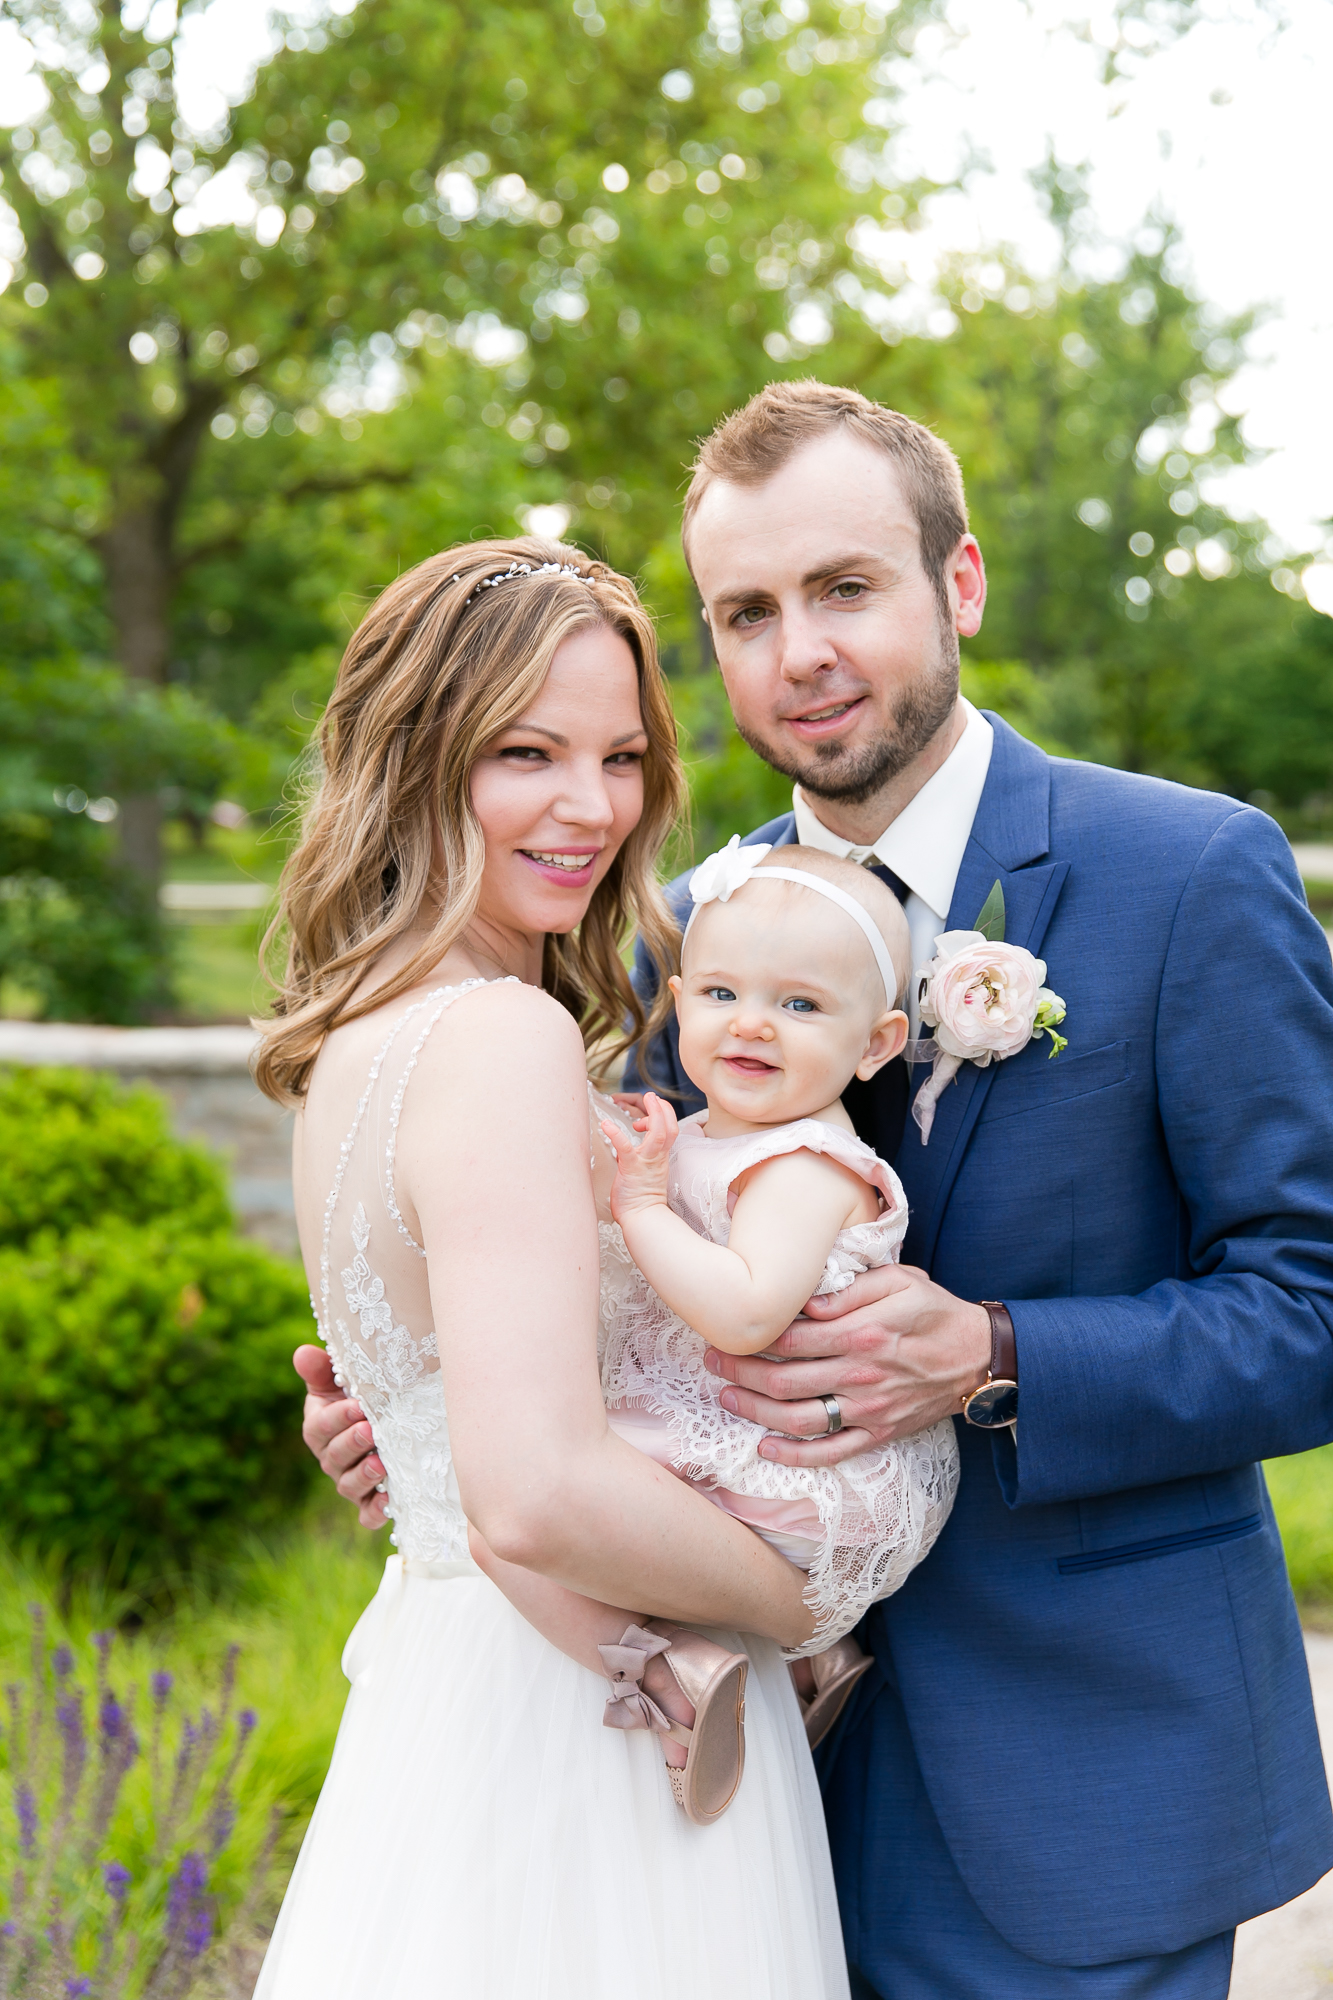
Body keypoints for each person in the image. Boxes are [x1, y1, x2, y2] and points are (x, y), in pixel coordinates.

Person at [305, 382, 1333, 1999]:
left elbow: (1310, 1308)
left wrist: (995, 1355)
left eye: (844, 587)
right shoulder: (662, 936)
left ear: (959, 583)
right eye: (744, 611)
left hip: (1076, 1769)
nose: (799, 652)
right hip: (716, 1776)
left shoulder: (1186, 875)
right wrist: (423, 1402)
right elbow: (601, 1285)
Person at [257, 540, 851, 1998]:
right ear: (416, 757)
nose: (590, 809)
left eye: (622, 756)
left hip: (456, 1685)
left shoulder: (356, 1039)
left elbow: (447, 1413)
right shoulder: (500, 1040)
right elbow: (532, 1490)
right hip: (597, 1716)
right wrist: (807, 1594)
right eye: (527, 753)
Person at [596, 842, 958, 1750]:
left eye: (798, 1005)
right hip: (739, 1433)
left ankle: (697, 1665)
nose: (752, 1025)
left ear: (876, 1042)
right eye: (722, 995)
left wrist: (638, 1205)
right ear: (677, 1004)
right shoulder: (707, 1133)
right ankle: (790, 1663)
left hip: (805, 1474)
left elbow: (745, 1311)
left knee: (546, 1509)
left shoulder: (802, 1161)